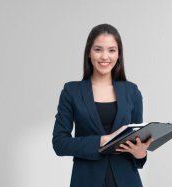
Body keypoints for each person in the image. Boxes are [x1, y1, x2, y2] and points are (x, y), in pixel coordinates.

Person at [52, 23, 153, 187]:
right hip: (86, 180)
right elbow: (60, 143)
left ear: (119, 54)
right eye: (98, 49)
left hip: (127, 180)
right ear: (89, 53)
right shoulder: (71, 91)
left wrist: (141, 153)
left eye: (111, 50)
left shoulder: (132, 92)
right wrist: (103, 140)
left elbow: (137, 140)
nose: (105, 56)